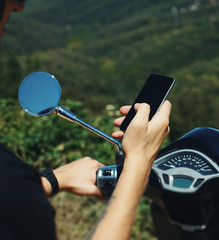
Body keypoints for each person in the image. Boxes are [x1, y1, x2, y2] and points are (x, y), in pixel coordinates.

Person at [0, 0, 172, 239]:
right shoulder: (13, 188)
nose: (19, 6)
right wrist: (139, 162)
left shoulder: (12, 185)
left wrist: (53, 179)